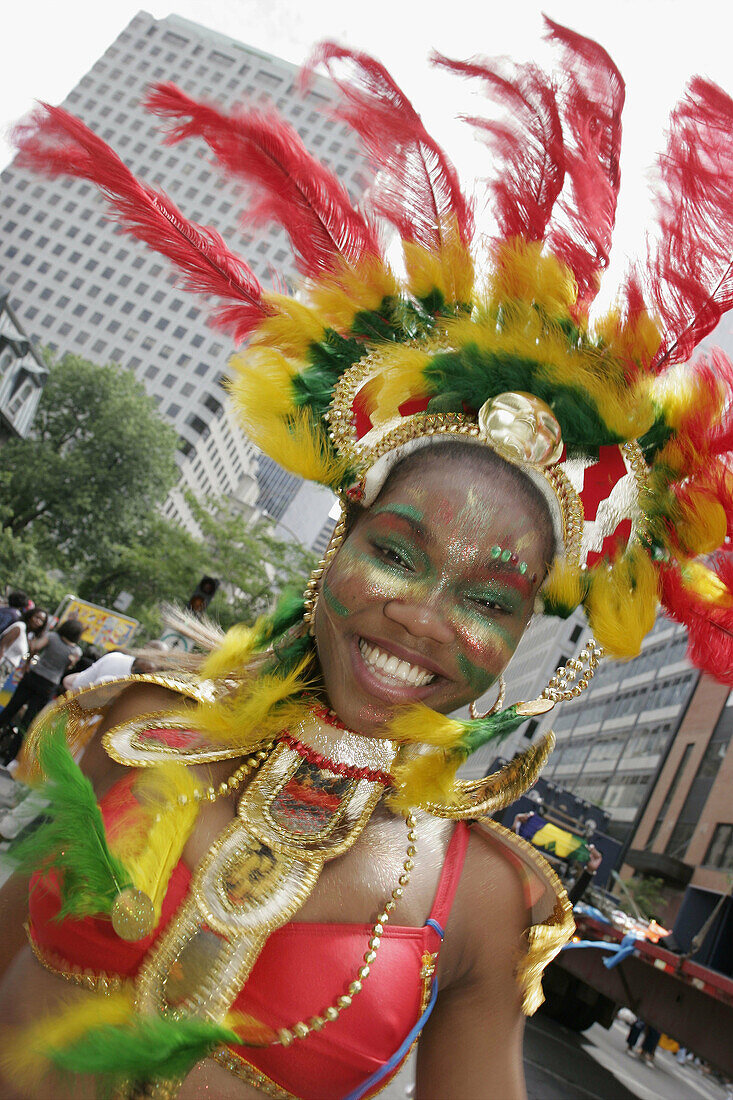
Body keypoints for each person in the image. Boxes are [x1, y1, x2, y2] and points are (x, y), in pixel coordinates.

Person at [2, 20, 733, 1100]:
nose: (423, 617)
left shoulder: (486, 895)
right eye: (398, 551)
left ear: (534, 639)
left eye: (488, 595)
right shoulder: (134, 724)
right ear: (336, 540)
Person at [0, 618, 83, 764]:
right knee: (28, 721)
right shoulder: (76, 650)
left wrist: (28, 662)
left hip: (34, 676)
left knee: (11, 709)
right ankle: (11, 758)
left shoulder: (52, 637)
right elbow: (70, 665)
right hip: (49, 684)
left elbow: (35, 647)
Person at [61, 640, 170, 692]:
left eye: (161, 660)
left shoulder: (149, 687)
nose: (155, 664)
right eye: (156, 657)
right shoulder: (114, 659)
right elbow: (72, 682)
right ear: (143, 651)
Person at [0, 608, 48, 682]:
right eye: (36, 617)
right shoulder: (20, 627)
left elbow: (32, 650)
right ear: (30, 616)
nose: (38, 622)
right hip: (3, 664)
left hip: (8, 668)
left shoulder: (28, 635)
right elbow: (2, 646)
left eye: (41, 621)